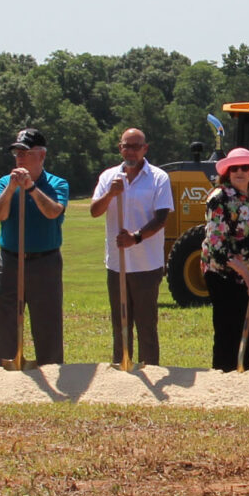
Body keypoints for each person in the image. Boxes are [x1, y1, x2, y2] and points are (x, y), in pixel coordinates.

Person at [91, 127, 176, 367]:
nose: (131, 151)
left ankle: (150, 367)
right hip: (117, 265)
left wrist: (135, 237)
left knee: (146, 323)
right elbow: (94, 211)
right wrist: (110, 194)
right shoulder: (108, 177)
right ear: (120, 148)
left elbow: (161, 218)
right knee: (120, 322)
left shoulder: (158, 177)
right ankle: (122, 365)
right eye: (126, 146)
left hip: (147, 264)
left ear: (145, 149)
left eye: (136, 146)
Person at [0, 128, 70, 367]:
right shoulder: (5, 183)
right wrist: (12, 188)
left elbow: (53, 212)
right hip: (10, 260)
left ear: (41, 155)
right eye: (17, 152)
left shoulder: (57, 183)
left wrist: (32, 189)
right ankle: (7, 366)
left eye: (25, 152)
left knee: (47, 321)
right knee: (5, 319)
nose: (19, 157)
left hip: (45, 262)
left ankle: (50, 366)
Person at [201, 147, 249, 372]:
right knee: (228, 332)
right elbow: (216, 245)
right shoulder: (219, 197)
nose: (239, 172)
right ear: (227, 173)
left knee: (248, 329)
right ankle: (223, 378)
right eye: (234, 168)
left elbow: (248, 229)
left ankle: (245, 374)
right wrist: (244, 272)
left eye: (245, 167)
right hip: (225, 275)